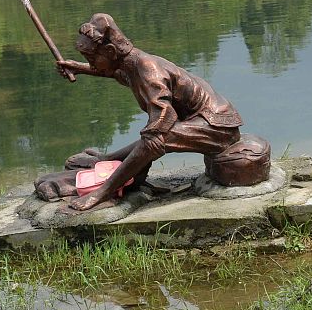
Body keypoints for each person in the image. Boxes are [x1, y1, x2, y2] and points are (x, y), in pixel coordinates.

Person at [51, 13, 245, 210]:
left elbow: (164, 118)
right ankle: (107, 161)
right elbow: (113, 72)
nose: (92, 65)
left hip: (218, 127)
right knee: (153, 137)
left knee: (154, 138)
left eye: (92, 59)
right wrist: (79, 68)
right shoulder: (131, 64)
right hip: (202, 121)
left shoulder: (146, 69)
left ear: (110, 51)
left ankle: (103, 192)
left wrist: (102, 192)